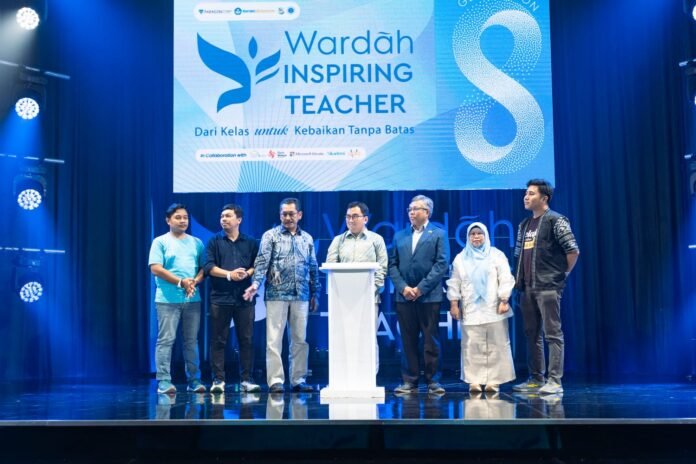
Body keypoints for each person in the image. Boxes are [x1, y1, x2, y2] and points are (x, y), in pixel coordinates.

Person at [243, 198, 320, 393]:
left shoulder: (307, 238)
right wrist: (255, 284)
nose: (287, 217)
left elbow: (313, 267)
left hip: (301, 295)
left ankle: (298, 380)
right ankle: (276, 381)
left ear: (299, 215)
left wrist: (315, 293)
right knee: (274, 340)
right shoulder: (271, 236)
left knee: (300, 339)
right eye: (284, 214)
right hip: (276, 294)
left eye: (291, 214)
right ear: (280, 215)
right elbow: (262, 262)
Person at [513, 179, 579, 395]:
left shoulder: (556, 220)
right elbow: (518, 255)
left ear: (544, 198)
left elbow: (573, 251)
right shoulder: (524, 225)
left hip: (548, 286)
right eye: (526, 193)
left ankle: (555, 381)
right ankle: (535, 378)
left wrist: (561, 275)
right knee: (531, 334)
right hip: (527, 288)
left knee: (552, 334)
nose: (526, 197)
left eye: (531, 193)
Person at [388, 195, 450, 394]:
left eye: (416, 209)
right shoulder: (400, 235)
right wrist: (403, 288)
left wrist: (421, 288)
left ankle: (433, 381)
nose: (411, 212)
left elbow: (441, 264)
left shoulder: (438, 234)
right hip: (404, 297)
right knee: (408, 340)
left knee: (431, 340)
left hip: (429, 296)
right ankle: (410, 381)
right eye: (410, 209)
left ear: (427, 212)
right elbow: (392, 265)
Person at [447, 222, 516, 393]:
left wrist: (504, 299)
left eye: (479, 233)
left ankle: (495, 381)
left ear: (485, 235)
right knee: (472, 345)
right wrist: (454, 304)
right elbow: (454, 282)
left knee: (497, 344)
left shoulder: (496, 255)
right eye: (472, 234)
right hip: (471, 308)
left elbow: (505, 277)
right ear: (468, 237)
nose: (476, 237)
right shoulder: (460, 258)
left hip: (494, 306)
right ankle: (474, 380)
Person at [148, 203, 206, 394]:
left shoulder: (197, 242)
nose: (183, 221)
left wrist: (194, 282)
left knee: (191, 341)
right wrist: (181, 282)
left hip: (192, 299)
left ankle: (194, 380)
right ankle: (164, 381)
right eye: (178, 217)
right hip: (167, 300)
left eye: (185, 218)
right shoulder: (160, 241)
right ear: (168, 220)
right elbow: (156, 268)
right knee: (166, 340)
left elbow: (204, 268)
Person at [204, 204, 261, 394]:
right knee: (218, 340)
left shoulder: (250, 242)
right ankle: (218, 380)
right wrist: (229, 275)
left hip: (244, 298)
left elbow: (258, 264)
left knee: (246, 340)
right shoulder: (214, 241)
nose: (223, 219)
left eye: (228, 216)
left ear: (239, 220)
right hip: (220, 298)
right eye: (222, 216)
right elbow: (208, 267)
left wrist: (247, 274)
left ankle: (247, 379)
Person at [326, 201, 388, 373]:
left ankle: (370, 375)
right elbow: (330, 267)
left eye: (355, 216)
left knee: (368, 338)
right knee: (343, 338)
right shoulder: (338, 241)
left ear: (365, 219)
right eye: (348, 217)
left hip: (369, 299)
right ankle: (344, 374)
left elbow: (382, 268)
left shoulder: (376, 240)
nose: (350, 220)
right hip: (342, 300)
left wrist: (370, 291)